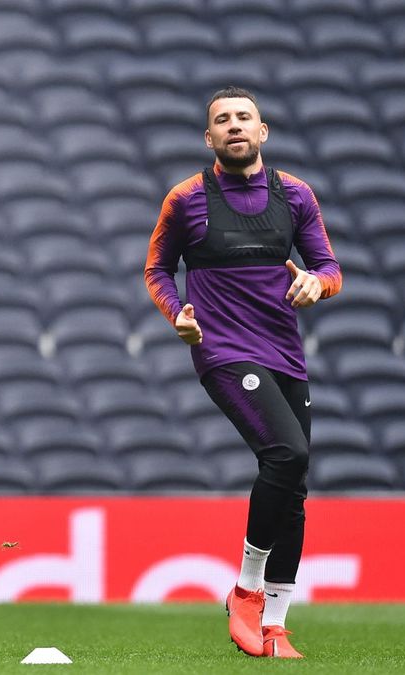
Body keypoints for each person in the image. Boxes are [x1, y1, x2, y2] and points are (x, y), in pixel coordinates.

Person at [145, 87, 341, 659]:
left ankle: (276, 626)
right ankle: (246, 589)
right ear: (209, 139)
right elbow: (158, 268)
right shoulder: (186, 198)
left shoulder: (296, 195)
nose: (234, 126)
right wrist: (176, 314)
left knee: (294, 492)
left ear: (263, 132)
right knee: (288, 455)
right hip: (224, 350)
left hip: (285, 353)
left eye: (244, 118)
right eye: (222, 120)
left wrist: (317, 282)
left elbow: (328, 265)